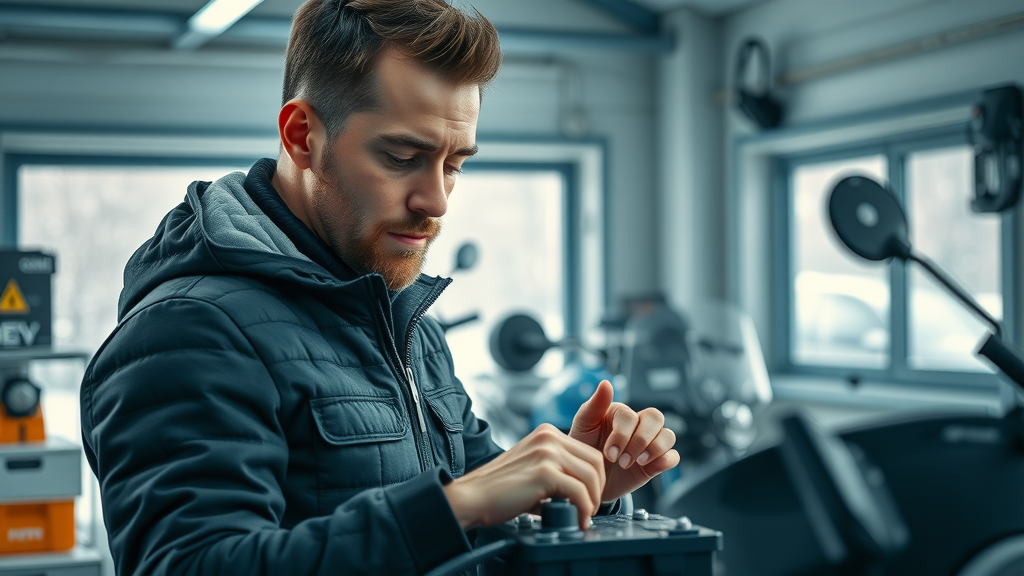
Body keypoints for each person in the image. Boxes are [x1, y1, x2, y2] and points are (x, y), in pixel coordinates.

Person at [80, 1, 680, 574]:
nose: (437, 200)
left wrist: (579, 483)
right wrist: (455, 505)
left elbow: (485, 521)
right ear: (300, 136)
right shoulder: (187, 333)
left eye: (454, 164)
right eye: (401, 156)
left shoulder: (405, 323)